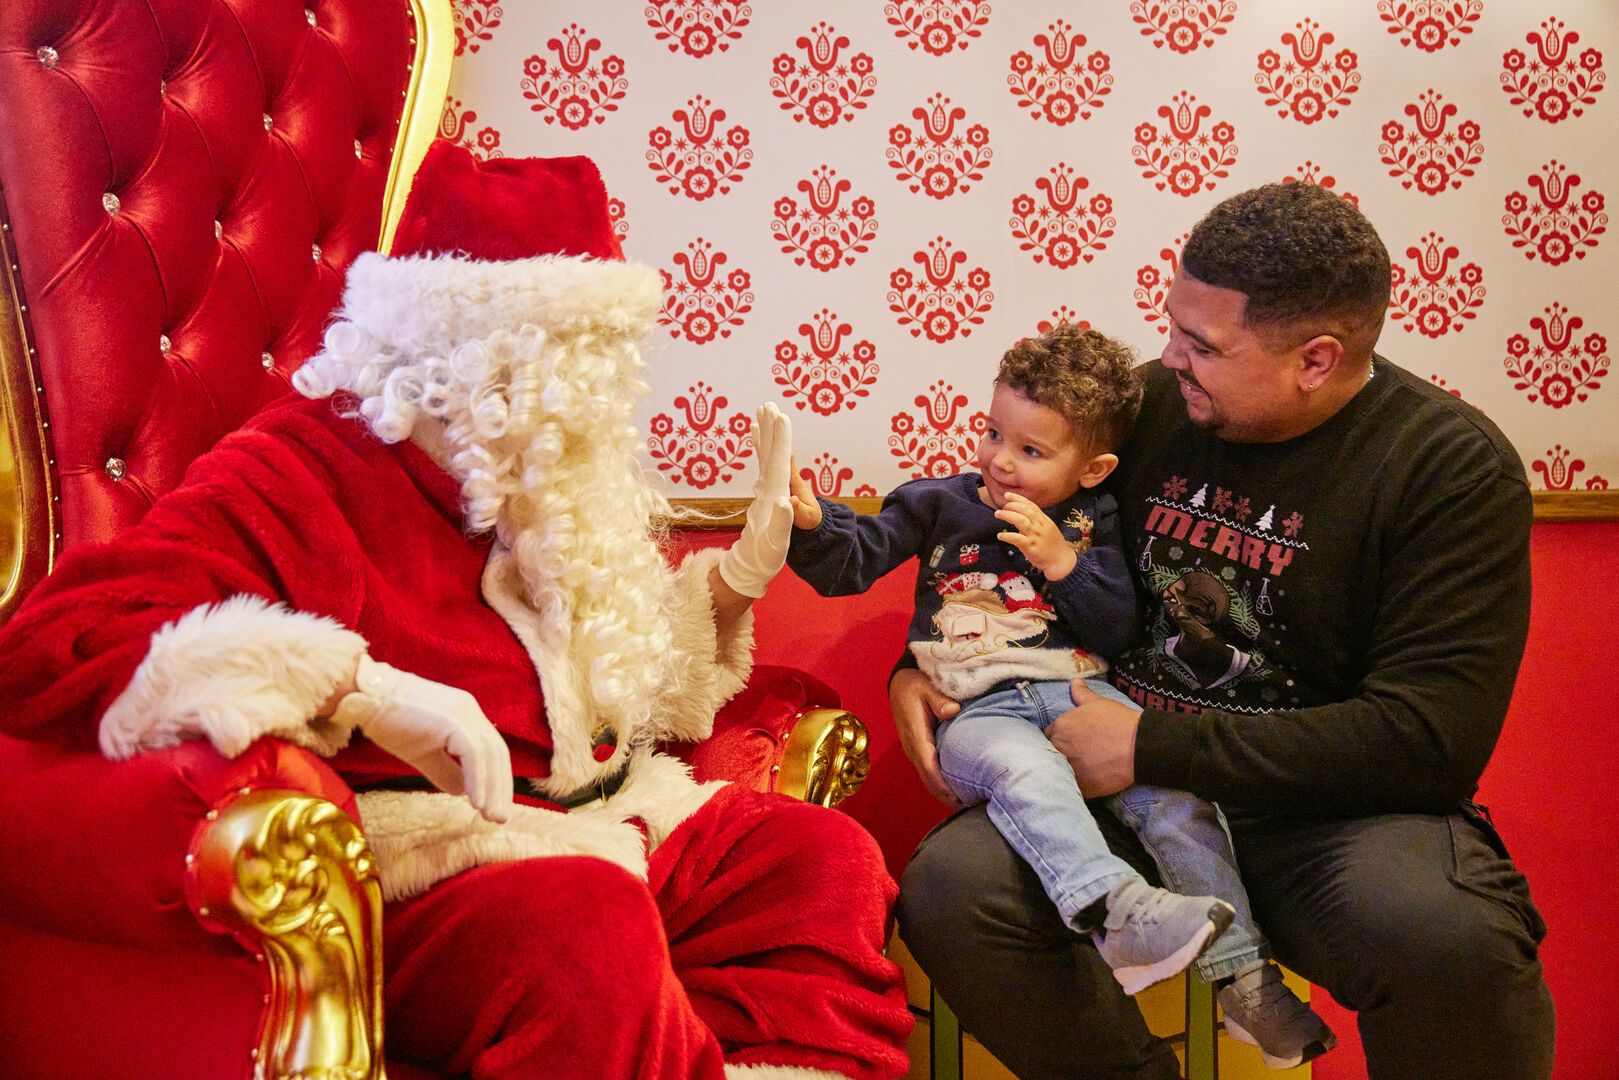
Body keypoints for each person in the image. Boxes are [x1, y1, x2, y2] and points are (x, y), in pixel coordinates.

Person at [0, 142, 912, 1080]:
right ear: (467, 356)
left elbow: (630, 695)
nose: (591, 404)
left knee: (819, 858)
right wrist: (361, 691)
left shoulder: (559, 481)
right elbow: (57, 647)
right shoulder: (304, 467)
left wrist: (738, 580)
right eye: (567, 365)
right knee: (582, 930)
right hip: (440, 863)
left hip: (624, 821)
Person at [890, 181, 1555, 1079]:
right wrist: (920, 665)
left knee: (1454, 942)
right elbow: (996, 524)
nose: (1167, 358)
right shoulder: (1153, 409)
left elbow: (1428, 741)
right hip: (1113, 781)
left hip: (1328, 815)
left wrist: (1154, 746)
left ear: (1315, 360)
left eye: (1201, 345)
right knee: (954, 888)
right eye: (1171, 325)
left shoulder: (1446, 469)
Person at [785, 325, 1332, 1065]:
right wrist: (814, 522)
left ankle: (1242, 978)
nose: (1000, 462)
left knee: (1177, 798)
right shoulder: (939, 504)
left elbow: (1114, 627)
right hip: (979, 713)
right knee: (1029, 774)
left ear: (1093, 467)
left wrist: (1063, 561)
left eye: (1032, 452)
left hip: (1081, 695)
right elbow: (852, 561)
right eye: (992, 433)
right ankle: (1114, 911)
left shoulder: (1092, 520)